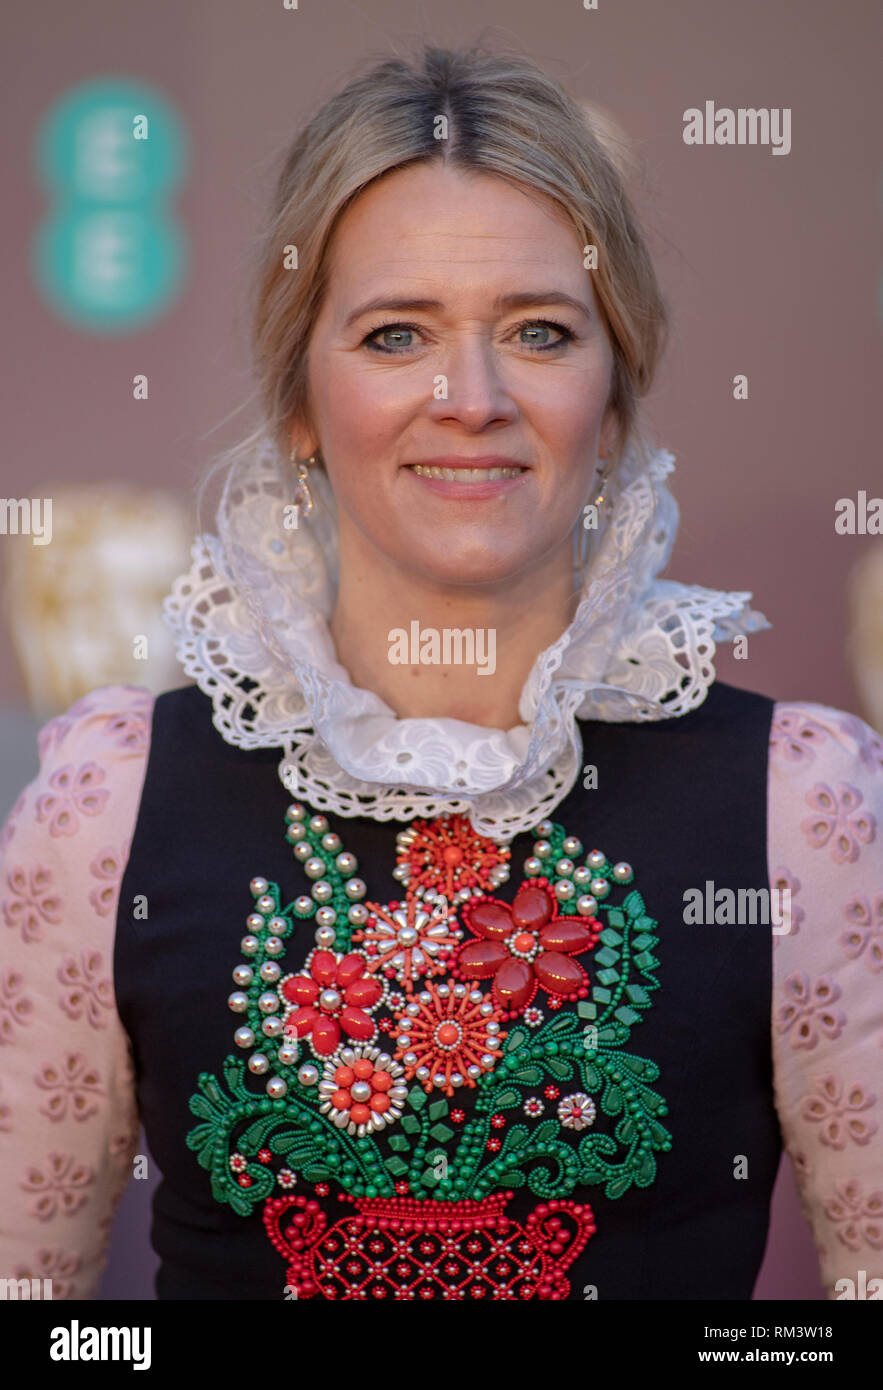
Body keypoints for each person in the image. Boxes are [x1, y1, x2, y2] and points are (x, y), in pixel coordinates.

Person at [1, 44, 880, 1303]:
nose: (467, 398)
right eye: (395, 331)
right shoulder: (108, 809)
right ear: (299, 401)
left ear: (614, 398)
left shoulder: (802, 807)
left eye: (537, 331)